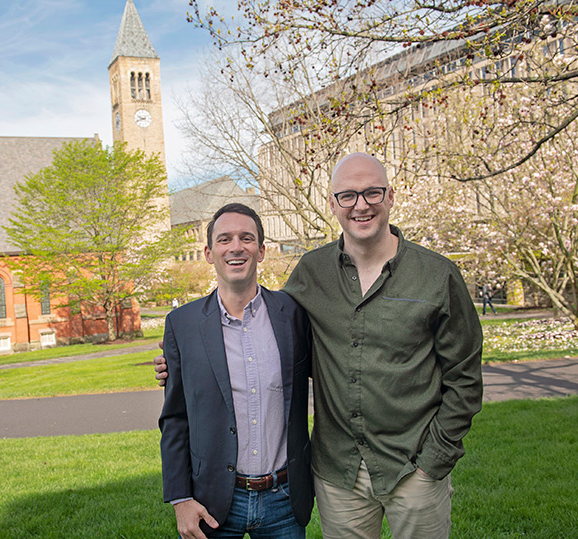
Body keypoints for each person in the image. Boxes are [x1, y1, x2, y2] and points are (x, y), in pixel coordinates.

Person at [157, 154, 483, 539]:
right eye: (348, 196)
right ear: (333, 204)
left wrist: (435, 460)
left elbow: (464, 378)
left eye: (372, 193)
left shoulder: (437, 275)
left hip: (413, 467)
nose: (361, 205)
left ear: (390, 197)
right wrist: (181, 361)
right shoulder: (311, 274)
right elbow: (262, 327)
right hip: (338, 473)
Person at [159, 203, 314, 539]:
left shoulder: (293, 314)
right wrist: (180, 497)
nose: (236, 247)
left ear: (261, 251)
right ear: (208, 252)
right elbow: (175, 418)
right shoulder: (182, 325)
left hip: (284, 500)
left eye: (247, 238)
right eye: (225, 239)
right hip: (211, 502)